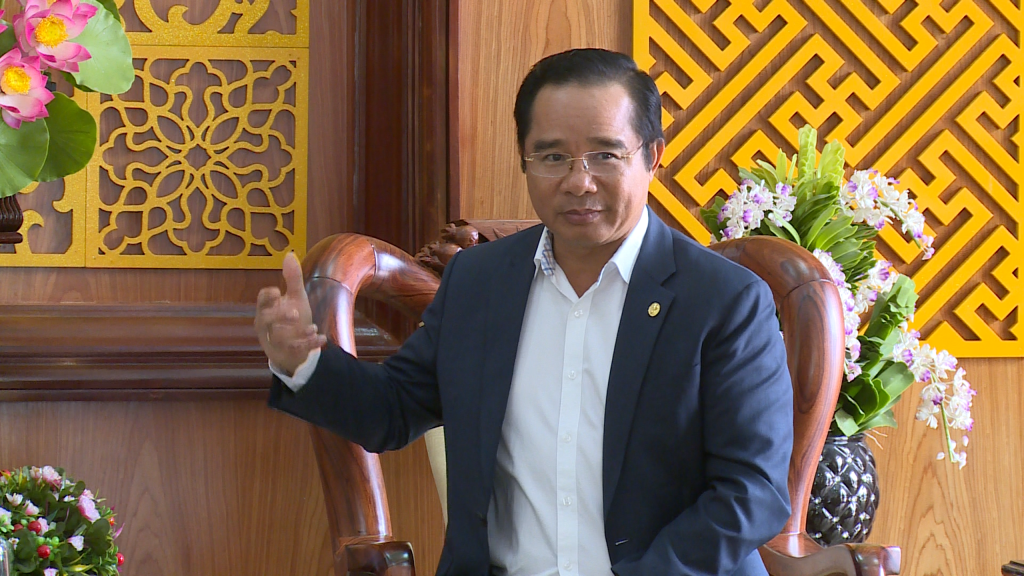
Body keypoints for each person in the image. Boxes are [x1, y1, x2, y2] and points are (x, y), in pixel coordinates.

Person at [256, 48, 793, 576]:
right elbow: (393, 410)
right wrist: (302, 362)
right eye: (553, 157)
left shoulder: (724, 299)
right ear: (524, 161)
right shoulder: (480, 281)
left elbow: (753, 493)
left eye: (606, 155)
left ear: (652, 156)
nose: (579, 181)